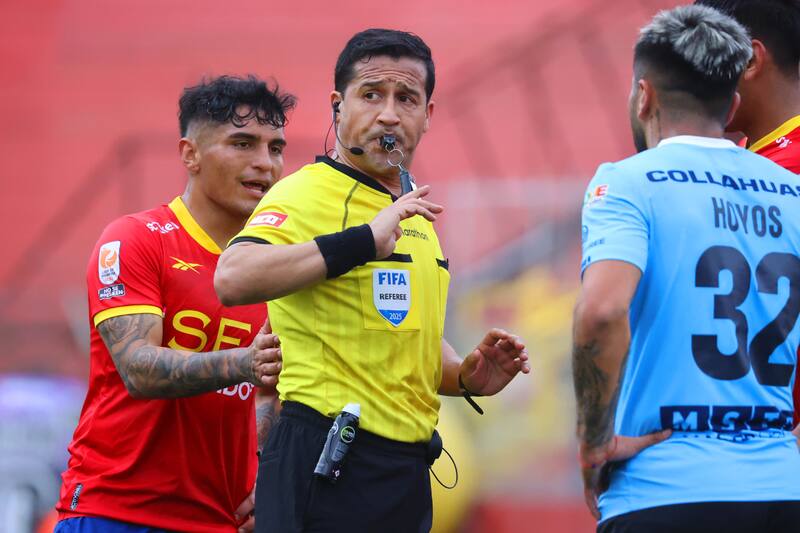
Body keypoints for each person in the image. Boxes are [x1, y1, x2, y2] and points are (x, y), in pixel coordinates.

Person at [215, 29, 530, 533]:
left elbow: (401, 335)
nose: (388, 114)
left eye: (406, 98)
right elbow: (232, 278)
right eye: (371, 95)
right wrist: (362, 241)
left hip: (403, 474)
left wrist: (468, 375)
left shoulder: (413, 213)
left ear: (428, 115)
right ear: (338, 107)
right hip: (325, 460)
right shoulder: (305, 193)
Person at [572, 5, 800, 532]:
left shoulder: (627, 181)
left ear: (644, 94)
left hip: (666, 490)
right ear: (732, 101)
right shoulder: (789, 190)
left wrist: (594, 441)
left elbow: (602, 312)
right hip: (783, 486)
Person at [55, 75, 295, 533]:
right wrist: (244, 362)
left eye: (275, 148)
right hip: (117, 513)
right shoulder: (134, 240)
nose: (265, 164)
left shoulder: (276, 267)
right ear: (191, 154)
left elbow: (269, 393)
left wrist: (268, 474)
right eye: (243, 144)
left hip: (222, 521)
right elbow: (138, 368)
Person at [695, 0, 800, 430]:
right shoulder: (740, 163)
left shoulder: (784, 173)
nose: (690, 81)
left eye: (701, 61)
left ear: (751, 60)